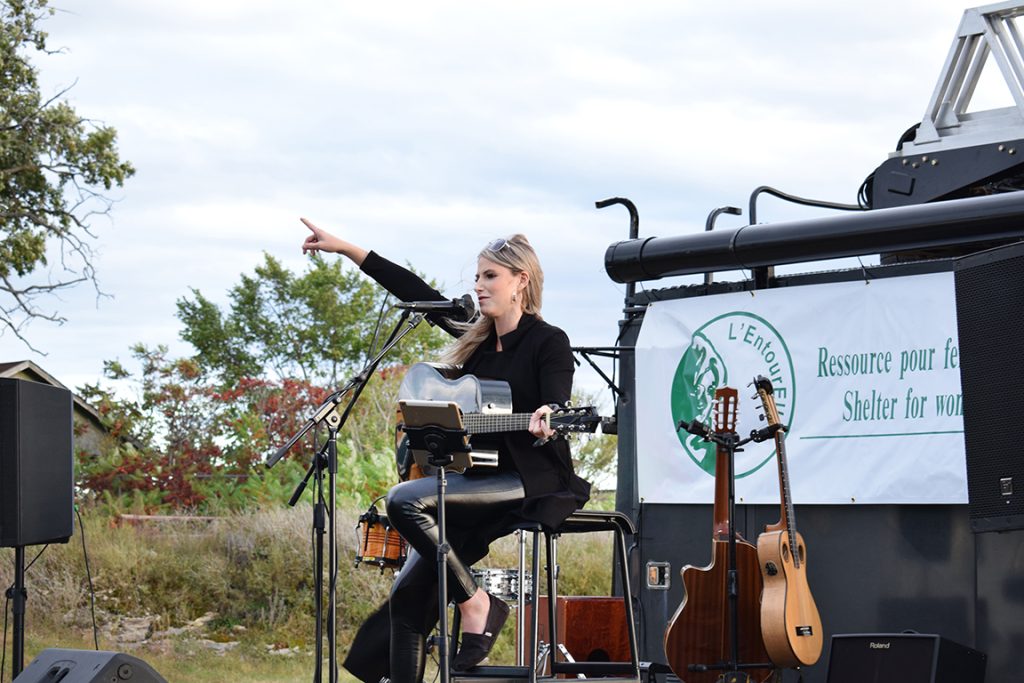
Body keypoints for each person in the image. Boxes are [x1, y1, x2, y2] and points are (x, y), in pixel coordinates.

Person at [300, 218, 592, 683]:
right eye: (477, 276)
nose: (478, 286)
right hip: (477, 477)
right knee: (407, 602)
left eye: (490, 276)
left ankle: (477, 603)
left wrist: (548, 416)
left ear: (521, 281)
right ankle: (468, 606)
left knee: (404, 500)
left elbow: (556, 401)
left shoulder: (548, 341)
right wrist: (348, 250)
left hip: (531, 477)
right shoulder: (477, 339)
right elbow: (415, 292)